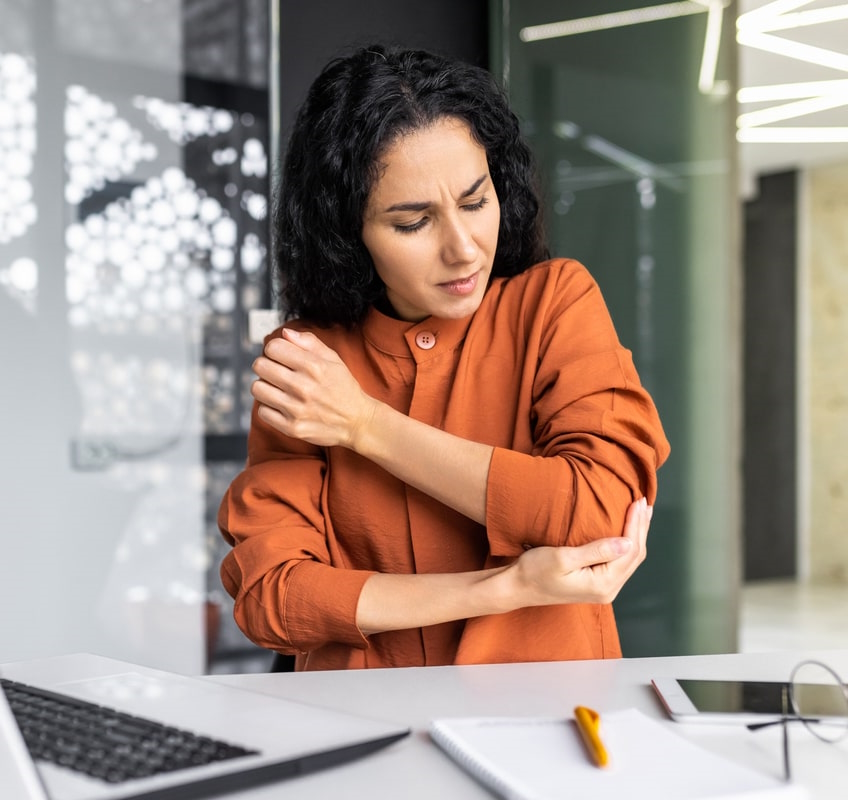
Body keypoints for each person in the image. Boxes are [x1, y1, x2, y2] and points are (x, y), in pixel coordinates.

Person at [217, 44, 670, 671]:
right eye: (413, 223)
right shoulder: (308, 362)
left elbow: (598, 510)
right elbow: (273, 598)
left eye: (476, 201)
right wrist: (506, 588)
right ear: (347, 234)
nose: (463, 249)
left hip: (550, 720)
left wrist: (365, 425)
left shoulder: (554, 302)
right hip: (367, 728)